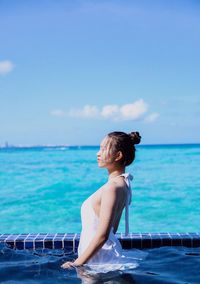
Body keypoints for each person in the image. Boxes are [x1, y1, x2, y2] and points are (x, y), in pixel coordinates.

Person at [61, 131, 142, 273]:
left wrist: (76, 264)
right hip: (98, 257)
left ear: (118, 155)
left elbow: (103, 235)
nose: (98, 153)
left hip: (99, 261)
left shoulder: (112, 187)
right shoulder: (122, 184)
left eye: (104, 149)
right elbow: (113, 229)